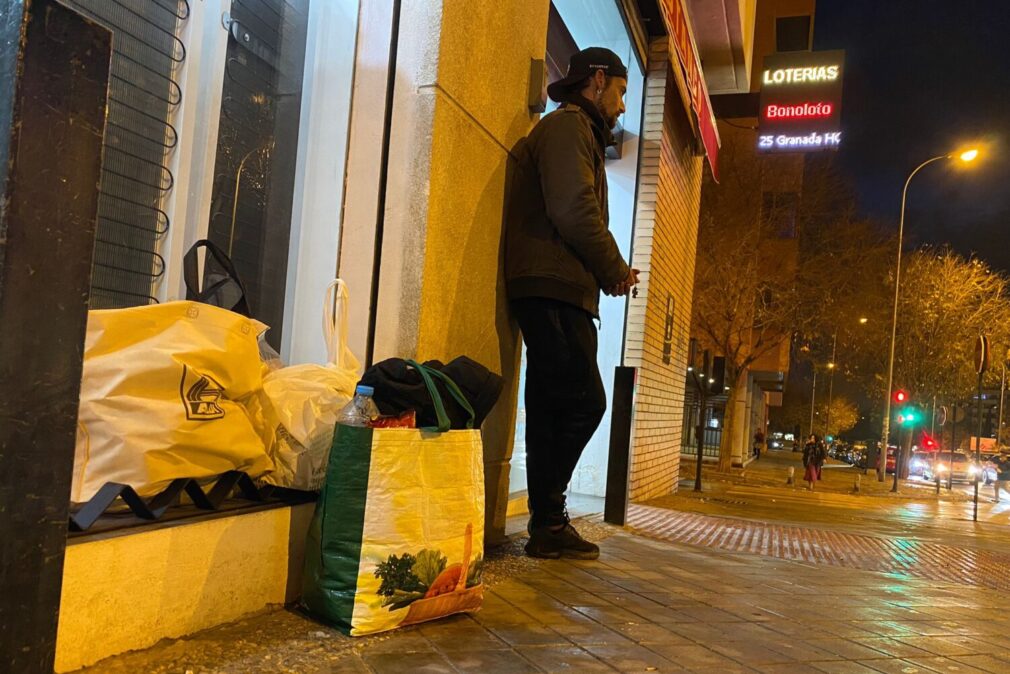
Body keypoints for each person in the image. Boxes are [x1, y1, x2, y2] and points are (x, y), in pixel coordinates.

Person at [505, 47, 638, 560]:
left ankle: (547, 526)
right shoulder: (568, 129)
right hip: (553, 283)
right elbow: (573, 209)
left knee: (548, 412)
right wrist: (615, 271)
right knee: (585, 402)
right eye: (622, 91)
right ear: (598, 80)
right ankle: (551, 515)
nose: (623, 106)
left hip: (549, 282)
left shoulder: (574, 131)